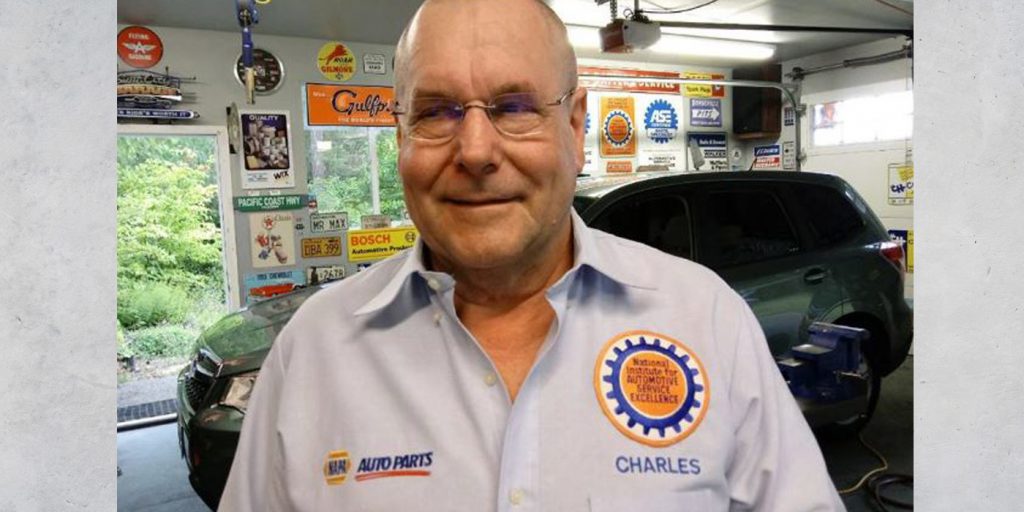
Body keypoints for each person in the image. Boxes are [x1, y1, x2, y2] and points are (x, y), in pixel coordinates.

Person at [219, 0, 845, 510]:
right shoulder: (314, 352)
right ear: (401, 133)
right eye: (436, 112)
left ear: (575, 127)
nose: (475, 151)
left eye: (514, 107)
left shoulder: (706, 319)